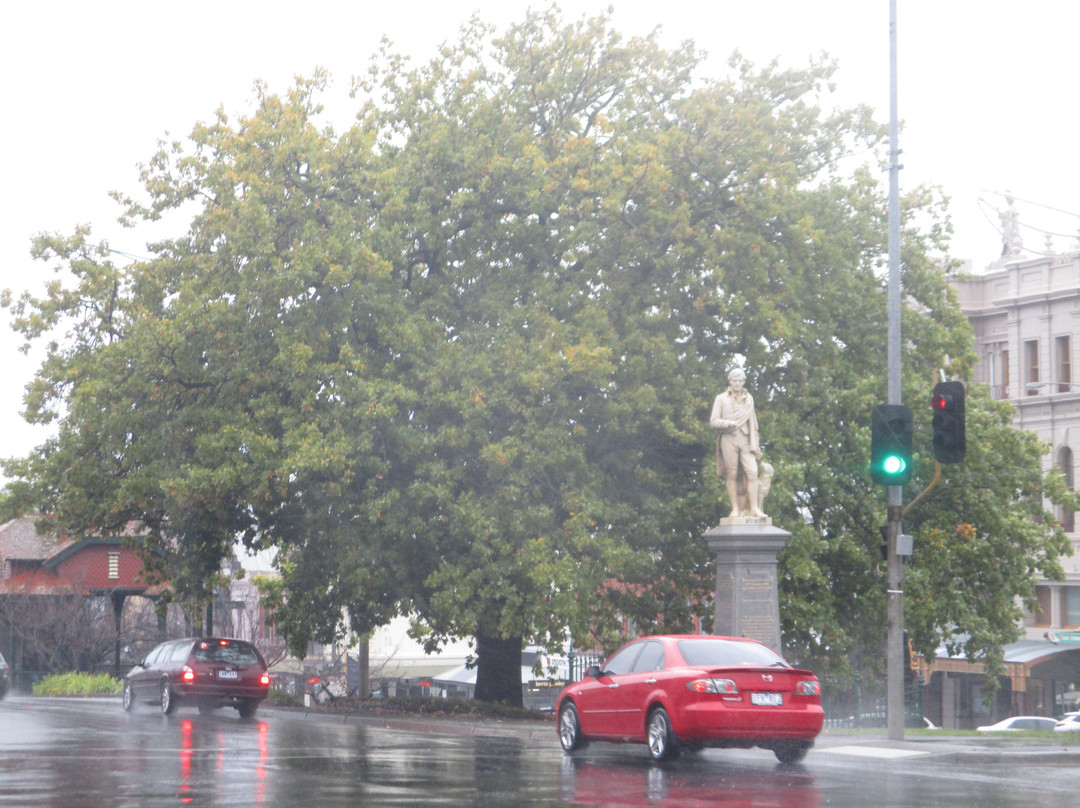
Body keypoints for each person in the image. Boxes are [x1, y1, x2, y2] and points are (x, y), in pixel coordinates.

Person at [710, 368, 767, 518]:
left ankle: (754, 508)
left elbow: (753, 422)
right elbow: (713, 421)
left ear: (743, 382)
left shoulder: (749, 399)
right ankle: (735, 508)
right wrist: (728, 423)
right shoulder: (721, 399)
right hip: (729, 438)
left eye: (740, 381)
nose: (737, 384)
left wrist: (756, 442)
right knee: (732, 473)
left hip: (746, 439)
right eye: (734, 381)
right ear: (730, 382)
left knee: (752, 472)